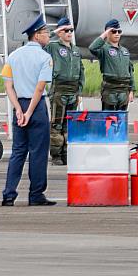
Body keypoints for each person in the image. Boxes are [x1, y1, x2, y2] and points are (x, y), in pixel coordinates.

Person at [1, 15, 55, 207]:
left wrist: (18, 109)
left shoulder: (13, 56)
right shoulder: (45, 57)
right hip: (36, 107)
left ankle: (9, 193)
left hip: (19, 105)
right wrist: (30, 112)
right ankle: (36, 194)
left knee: (18, 152)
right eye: (46, 33)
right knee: (38, 153)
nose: (48, 36)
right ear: (37, 35)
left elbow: (9, 86)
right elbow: (39, 89)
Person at [44, 17, 84, 166]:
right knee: (56, 124)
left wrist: (79, 91)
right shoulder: (53, 47)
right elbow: (43, 47)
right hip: (59, 89)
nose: (69, 33)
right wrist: (55, 33)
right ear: (60, 32)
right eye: (65, 30)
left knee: (69, 125)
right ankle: (56, 156)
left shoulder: (76, 50)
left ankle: (67, 154)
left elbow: (81, 70)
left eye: (71, 30)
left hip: (73, 91)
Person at [89, 19, 135, 111]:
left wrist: (132, 90)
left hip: (124, 90)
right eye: (113, 31)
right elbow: (92, 48)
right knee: (108, 120)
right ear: (108, 32)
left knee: (121, 121)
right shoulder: (103, 49)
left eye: (119, 31)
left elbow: (130, 71)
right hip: (110, 90)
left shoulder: (125, 51)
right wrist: (105, 34)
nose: (117, 33)